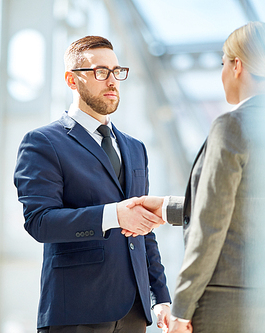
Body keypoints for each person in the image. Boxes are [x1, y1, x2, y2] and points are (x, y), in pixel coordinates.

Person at [13, 35, 171, 333]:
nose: (112, 81)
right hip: (76, 311)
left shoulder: (135, 148)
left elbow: (145, 230)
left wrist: (159, 296)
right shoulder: (43, 143)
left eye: (116, 71)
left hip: (134, 313)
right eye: (100, 72)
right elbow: (40, 222)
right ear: (72, 81)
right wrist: (114, 215)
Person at [129, 22, 265, 332]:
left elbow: (212, 223)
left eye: (223, 63)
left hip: (228, 306)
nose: (222, 72)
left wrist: (182, 308)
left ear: (237, 65)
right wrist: (170, 208)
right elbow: (249, 202)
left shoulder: (233, 126)